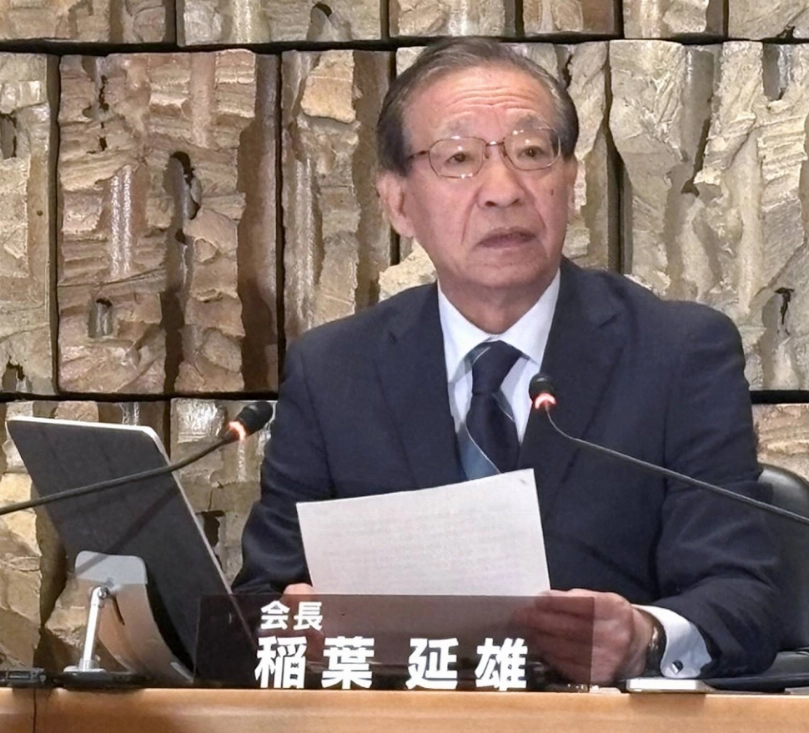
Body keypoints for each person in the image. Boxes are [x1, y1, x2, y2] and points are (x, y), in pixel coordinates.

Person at [234, 37, 780, 684]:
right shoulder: (334, 371)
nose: (503, 190)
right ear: (399, 203)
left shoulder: (677, 353)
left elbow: (742, 597)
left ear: (571, 182)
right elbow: (259, 600)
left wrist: (645, 637)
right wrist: (292, 624)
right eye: (459, 158)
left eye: (531, 153)